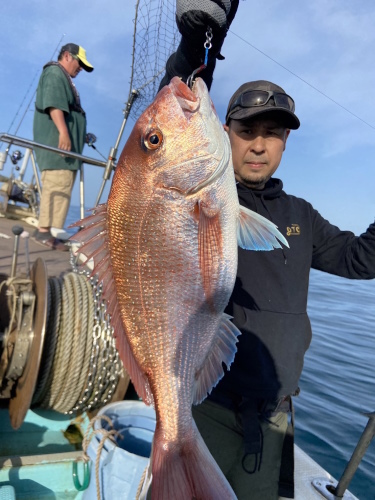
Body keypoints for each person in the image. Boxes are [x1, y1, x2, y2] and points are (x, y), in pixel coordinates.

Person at [160, 2, 375, 498]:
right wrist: (197, 45)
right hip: (207, 409)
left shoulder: (301, 215)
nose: (259, 145)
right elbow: (172, 123)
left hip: (274, 419)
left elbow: (361, 259)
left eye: (272, 133)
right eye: (246, 131)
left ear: (284, 143)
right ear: (223, 134)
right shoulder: (204, 198)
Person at [32, 43, 94, 251]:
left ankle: (53, 232)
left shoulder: (64, 77)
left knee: (63, 187)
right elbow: (53, 104)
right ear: (67, 56)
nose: (81, 69)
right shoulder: (54, 73)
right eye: (79, 63)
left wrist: (81, 134)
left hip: (68, 152)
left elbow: (69, 113)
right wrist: (64, 133)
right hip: (58, 149)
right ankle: (43, 232)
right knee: (56, 186)